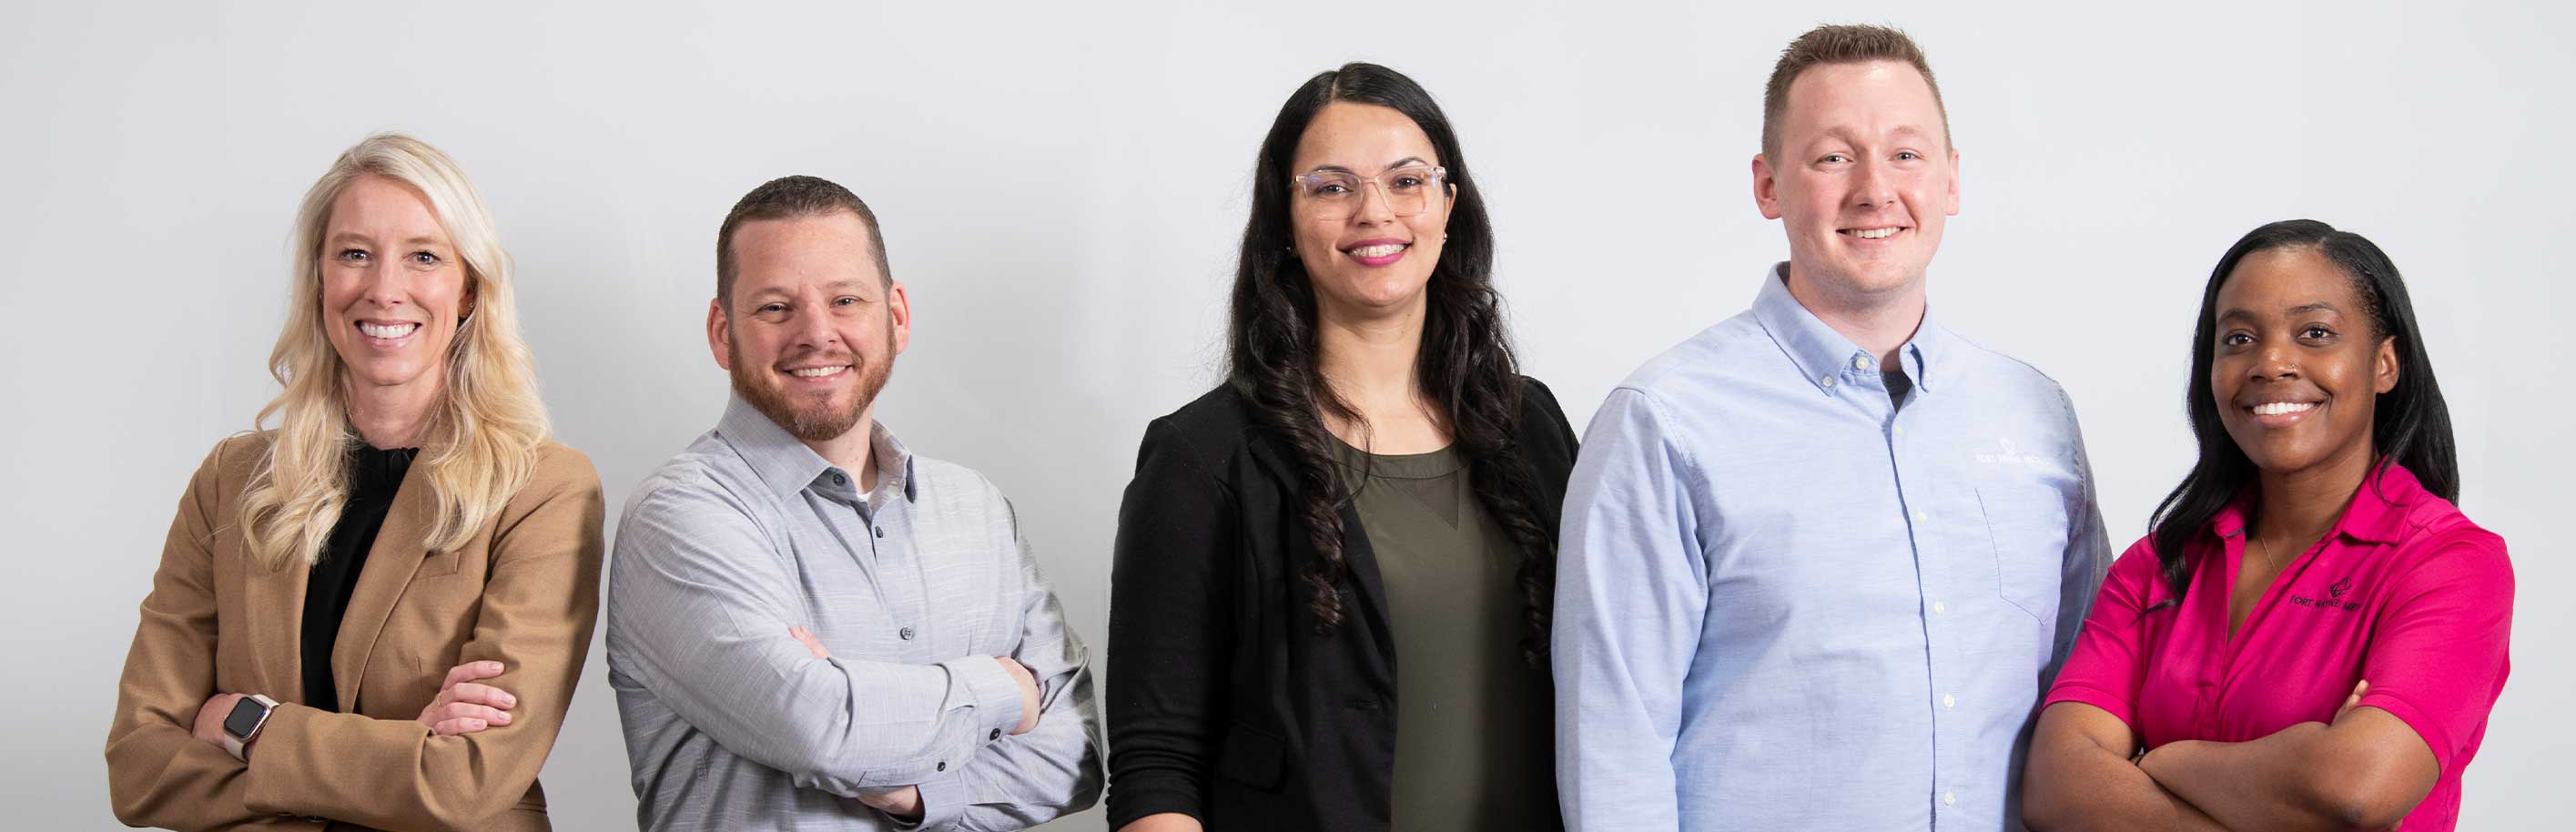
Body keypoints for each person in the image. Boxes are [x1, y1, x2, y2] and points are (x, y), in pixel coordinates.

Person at [1552, 24, 2109, 831]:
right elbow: (1614, 755)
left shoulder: (2035, 415)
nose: (1875, 189)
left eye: (1907, 154)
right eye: (1833, 156)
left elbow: (2086, 702)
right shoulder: (1664, 425)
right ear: (1769, 185)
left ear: (1951, 179)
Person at [1105, 62, 1577, 832]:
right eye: (1331, 186)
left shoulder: (1534, 425)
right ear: (1283, 222)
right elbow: (1159, 757)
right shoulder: (1203, 456)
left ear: (1448, 205)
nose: (1374, 212)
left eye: (1406, 181)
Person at [106, 132, 605, 830]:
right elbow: (139, 766)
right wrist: (400, 756)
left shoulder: (542, 490)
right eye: (354, 254)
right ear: (318, 280)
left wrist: (248, 724)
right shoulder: (231, 481)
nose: (383, 289)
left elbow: (466, 780)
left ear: (468, 289)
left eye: (424, 256)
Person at [606, 175, 1100, 831]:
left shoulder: (975, 510)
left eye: (844, 299)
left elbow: (1078, 757)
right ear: (722, 332)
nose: (817, 333)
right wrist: (1006, 689)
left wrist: (917, 795)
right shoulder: (683, 516)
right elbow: (820, 728)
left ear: (895, 316)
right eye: (776, 308)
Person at [2023, 219, 2510, 831]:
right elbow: (2053, 787)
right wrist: (2294, 766)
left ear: (2385, 364)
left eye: (2315, 333)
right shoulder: (2156, 566)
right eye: (2239, 339)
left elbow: (2355, 788)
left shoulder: (2450, 564)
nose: (2271, 362)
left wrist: (2164, 763)